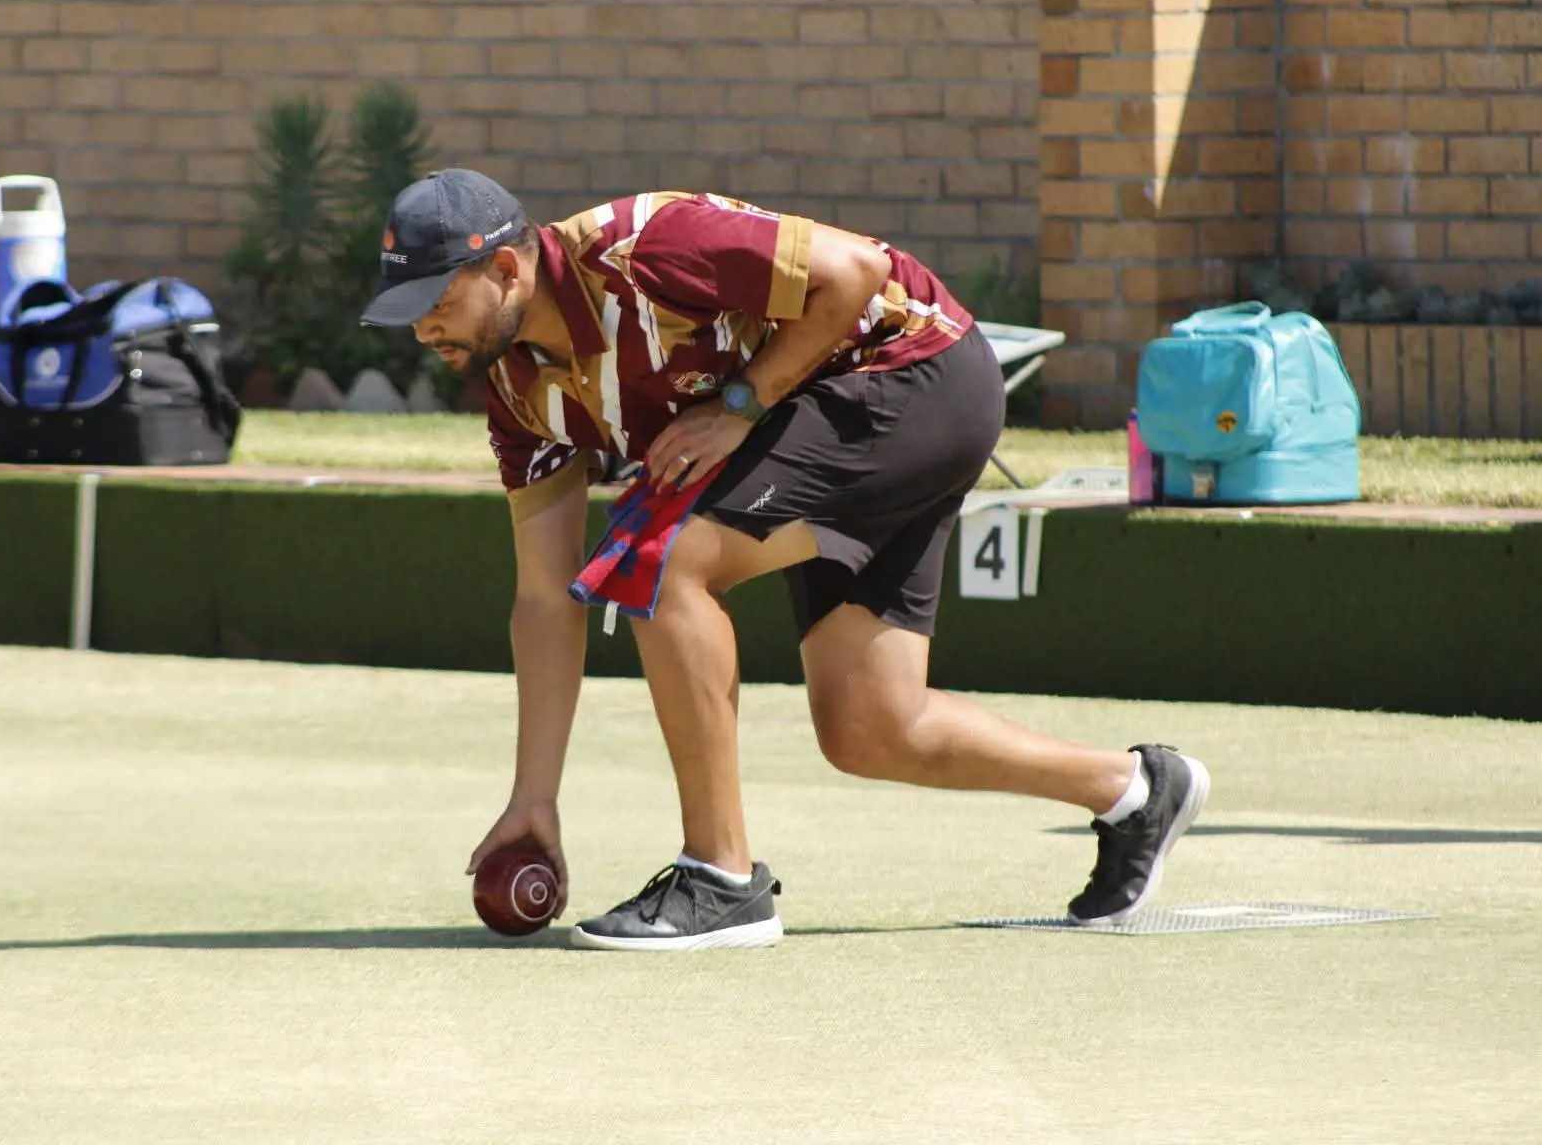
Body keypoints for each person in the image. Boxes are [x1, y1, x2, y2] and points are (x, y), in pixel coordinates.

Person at [361, 168, 1209, 951]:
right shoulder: (520, 396)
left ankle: (720, 878)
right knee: (872, 727)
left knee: (657, 555)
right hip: (832, 419)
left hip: (915, 375)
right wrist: (533, 800)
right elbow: (546, 600)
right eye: (407, 310)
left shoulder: (642, 246)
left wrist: (741, 405)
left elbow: (857, 269)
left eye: (437, 300)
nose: (424, 328)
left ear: (506, 268)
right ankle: (1134, 791)